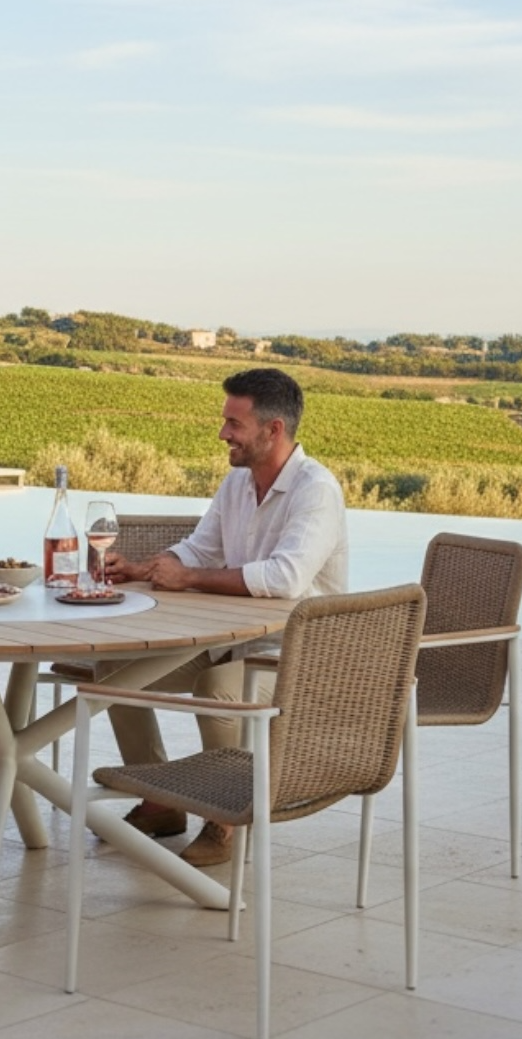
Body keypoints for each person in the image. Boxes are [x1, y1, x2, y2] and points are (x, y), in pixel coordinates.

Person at [106, 366, 347, 867]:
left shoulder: (315, 490)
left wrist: (188, 579)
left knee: (219, 688)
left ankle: (225, 821)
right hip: (232, 640)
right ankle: (162, 803)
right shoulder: (237, 483)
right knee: (114, 671)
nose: (222, 434)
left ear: (272, 430)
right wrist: (137, 569)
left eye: (233, 424)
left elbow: (285, 578)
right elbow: (199, 549)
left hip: (295, 652)